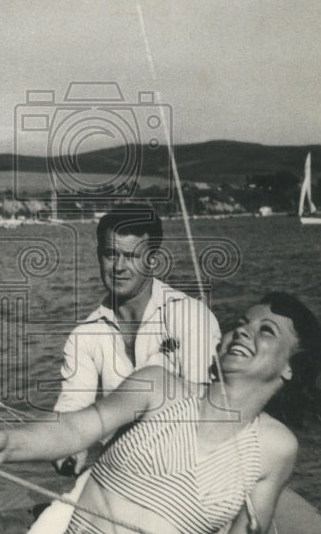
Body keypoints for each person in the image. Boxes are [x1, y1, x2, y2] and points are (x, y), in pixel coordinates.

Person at [0, 293, 321, 534]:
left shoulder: (276, 447)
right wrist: (9, 444)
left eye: (266, 331)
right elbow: (75, 428)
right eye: (240, 324)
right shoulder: (158, 386)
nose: (244, 332)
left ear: (290, 368)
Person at [53, 203, 220, 476]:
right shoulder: (84, 336)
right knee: (51, 520)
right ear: (99, 256)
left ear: (153, 260)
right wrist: (67, 446)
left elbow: (203, 411)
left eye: (131, 256)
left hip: (188, 472)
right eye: (110, 254)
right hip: (117, 473)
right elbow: (73, 407)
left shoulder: (191, 316)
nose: (119, 266)